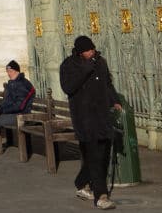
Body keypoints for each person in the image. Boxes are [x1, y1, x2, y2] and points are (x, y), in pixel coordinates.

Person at [60, 36, 122, 210]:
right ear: (80, 52)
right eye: (87, 50)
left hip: (102, 115)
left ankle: (81, 182)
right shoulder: (69, 65)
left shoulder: (100, 62)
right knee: (94, 156)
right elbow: (68, 88)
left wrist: (115, 101)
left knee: (101, 155)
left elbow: (108, 84)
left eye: (92, 49)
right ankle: (101, 196)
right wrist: (85, 70)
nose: (91, 52)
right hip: (84, 118)